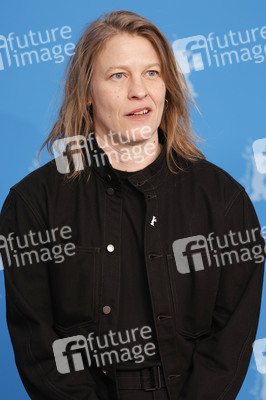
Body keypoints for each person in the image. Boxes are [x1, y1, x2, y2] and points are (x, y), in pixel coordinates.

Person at [0, 10, 265, 400]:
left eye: (152, 73)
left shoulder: (225, 201)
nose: (139, 90)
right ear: (87, 93)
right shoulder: (32, 204)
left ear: (168, 87)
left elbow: (232, 338)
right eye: (118, 75)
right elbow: (36, 343)